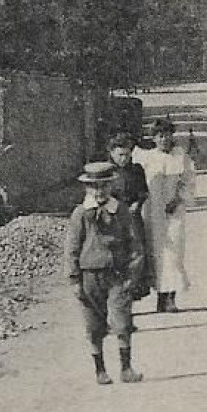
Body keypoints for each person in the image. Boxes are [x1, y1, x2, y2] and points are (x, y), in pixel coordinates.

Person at [65, 161, 149, 385]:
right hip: (89, 276)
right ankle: (100, 370)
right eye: (94, 187)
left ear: (111, 186)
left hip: (117, 275)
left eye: (104, 186)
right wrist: (74, 279)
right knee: (93, 325)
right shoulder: (81, 213)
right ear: (86, 189)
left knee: (122, 322)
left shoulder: (120, 211)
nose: (99, 192)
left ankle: (126, 368)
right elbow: (72, 247)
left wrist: (132, 275)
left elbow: (135, 245)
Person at [133, 118, 195, 313]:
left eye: (167, 135)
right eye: (160, 136)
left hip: (174, 212)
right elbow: (133, 178)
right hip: (152, 212)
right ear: (154, 138)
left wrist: (178, 199)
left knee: (174, 254)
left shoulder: (180, 157)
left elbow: (188, 183)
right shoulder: (146, 158)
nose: (164, 139)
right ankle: (160, 297)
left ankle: (171, 298)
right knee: (155, 254)